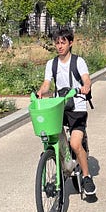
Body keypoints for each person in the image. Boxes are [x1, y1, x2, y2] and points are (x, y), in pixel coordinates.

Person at [36, 27, 96, 195]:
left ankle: (86, 177)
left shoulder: (78, 62)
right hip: (59, 106)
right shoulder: (51, 64)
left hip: (77, 107)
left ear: (70, 43)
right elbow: (47, 84)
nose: (60, 46)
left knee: (75, 144)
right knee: (54, 141)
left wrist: (85, 87)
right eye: (57, 43)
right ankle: (66, 165)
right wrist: (41, 93)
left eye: (63, 43)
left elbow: (86, 79)